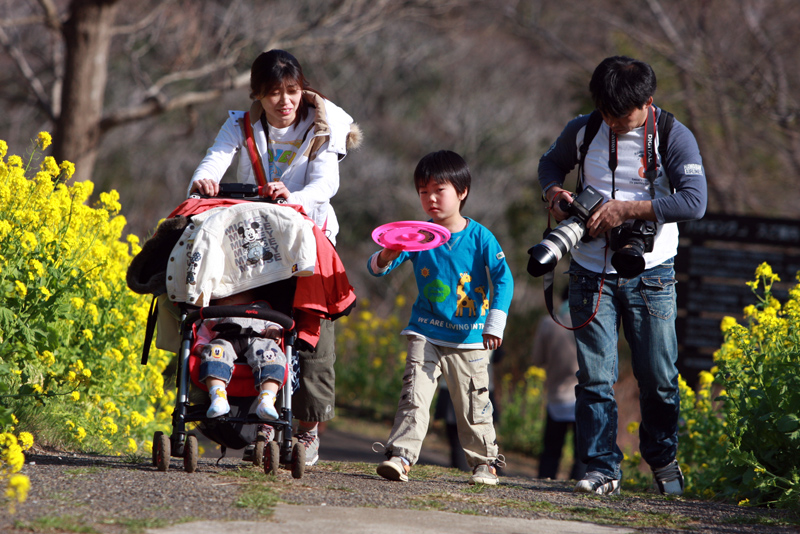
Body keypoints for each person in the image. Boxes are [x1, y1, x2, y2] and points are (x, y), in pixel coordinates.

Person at [537, 56, 706, 495]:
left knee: (659, 377)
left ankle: (662, 458)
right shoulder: (585, 128)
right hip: (590, 270)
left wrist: (626, 210)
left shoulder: (672, 135)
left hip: (650, 273)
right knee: (594, 376)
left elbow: (694, 202)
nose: (612, 121)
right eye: (605, 111)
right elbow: (550, 164)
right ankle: (601, 468)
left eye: (621, 115)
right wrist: (554, 193)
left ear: (647, 102)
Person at [188, 49, 362, 466]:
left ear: (303, 88)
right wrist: (204, 180)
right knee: (254, 325)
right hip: (255, 245)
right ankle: (262, 423)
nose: (285, 102)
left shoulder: (324, 126)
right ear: (258, 96)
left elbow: (325, 184)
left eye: (292, 91)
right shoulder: (240, 126)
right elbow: (215, 159)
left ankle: (307, 430)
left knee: (310, 332)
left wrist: (294, 197)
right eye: (273, 94)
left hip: (309, 243)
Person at [368, 150, 514, 485]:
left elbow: (503, 278)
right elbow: (377, 268)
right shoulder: (417, 235)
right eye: (423, 192)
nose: (431, 198)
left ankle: (485, 463)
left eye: (439, 190)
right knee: (414, 395)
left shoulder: (481, 238)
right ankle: (401, 457)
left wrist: (495, 323)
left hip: (471, 337)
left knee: (474, 404)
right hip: (426, 332)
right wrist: (390, 251)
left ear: (462, 192)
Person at [197, 290, 286, 421]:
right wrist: (201, 345)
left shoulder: (262, 308)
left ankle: (267, 399)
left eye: (235, 292)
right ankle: (218, 396)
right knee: (214, 351)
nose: (229, 296)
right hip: (226, 340)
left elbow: (273, 322)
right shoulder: (216, 312)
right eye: (224, 293)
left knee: (271, 353)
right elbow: (204, 332)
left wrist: (273, 329)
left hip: (258, 340)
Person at [530, 288, 586, 481]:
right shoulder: (590, 322)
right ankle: (580, 492)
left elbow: (537, 360)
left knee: (551, 452)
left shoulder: (549, 323)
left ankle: (541, 492)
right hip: (584, 397)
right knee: (582, 455)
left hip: (557, 397)